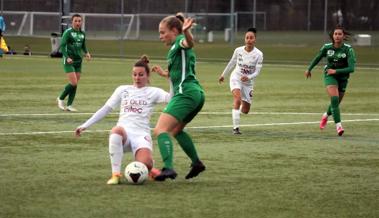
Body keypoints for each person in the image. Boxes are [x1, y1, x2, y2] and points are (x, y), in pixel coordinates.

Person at [75, 55, 171, 185]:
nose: (137, 78)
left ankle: (150, 167)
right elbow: (106, 109)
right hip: (124, 133)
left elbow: (172, 98)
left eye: (141, 75)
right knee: (116, 130)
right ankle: (116, 175)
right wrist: (85, 125)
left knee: (145, 164)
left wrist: (169, 78)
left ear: (148, 76)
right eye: (134, 74)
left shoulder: (153, 91)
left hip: (141, 135)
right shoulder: (122, 89)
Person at [151, 13, 206, 181]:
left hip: (185, 94)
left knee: (160, 130)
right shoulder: (175, 48)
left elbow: (189, 43)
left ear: (175, 30)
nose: (160, 36)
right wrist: (164, 73)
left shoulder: (179, 41)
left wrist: (187, 32)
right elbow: (180, 72)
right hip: (196, 94)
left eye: (162, 32)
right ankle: (196, 163)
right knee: (176, 130)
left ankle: (168, 168)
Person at [305, 25, 356, 136]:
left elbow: (351, 69)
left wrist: (336, 71)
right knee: (334, 99)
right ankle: (339, 126)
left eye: (339, 34)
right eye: (335, 34)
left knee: (336, 103)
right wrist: (309, 69)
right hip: (329, 76)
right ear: (332, 36)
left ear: (343, 36)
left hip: (343, 78)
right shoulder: (327, 47)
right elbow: (317, 57)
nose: (337, 36)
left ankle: (325, 115)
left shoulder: (348, 49)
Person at [218, 28, 263, 135]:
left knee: (246, 110)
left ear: (255, 40)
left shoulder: (259, 54)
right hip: (236, 78)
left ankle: (238, 107)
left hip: (248, 83)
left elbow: (257, 72)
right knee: (237, 99)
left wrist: (249, 77)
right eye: (247, 37)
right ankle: (236, 128)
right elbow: (231, 63)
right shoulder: (238, 51)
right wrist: (223, 75)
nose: (249, 40)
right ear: (245, 39)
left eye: (251, 38)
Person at [57, 14, 91, 112]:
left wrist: (87, 53)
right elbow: (62, 46)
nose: (78, 23)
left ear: (82, 22)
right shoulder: (68, 32)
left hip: (78, 61)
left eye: (79, 21)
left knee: (75, 84)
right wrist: (67, 57)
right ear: (72, 22)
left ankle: (69, 105)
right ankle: (60, 98)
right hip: (69, 61)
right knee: (73, 82)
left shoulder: (82, 33)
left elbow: (83, 45)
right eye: (75, 21)